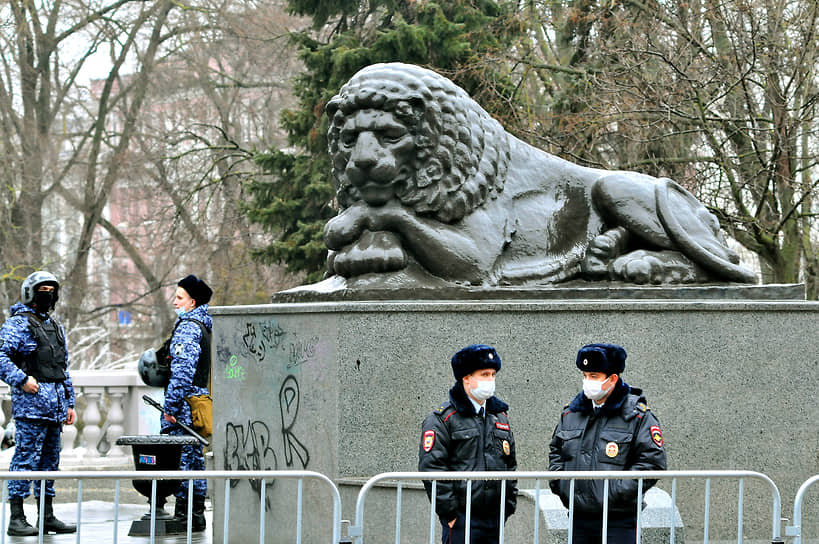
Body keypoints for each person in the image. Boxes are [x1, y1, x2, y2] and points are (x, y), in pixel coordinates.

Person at [548, 343, 667, 544]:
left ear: (612, 379)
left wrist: (614, 492)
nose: (587, 382)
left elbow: (652, 463)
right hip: (579, 518)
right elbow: (556, 453)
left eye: (594, 377)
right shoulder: (571, 413)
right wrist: (564, 487)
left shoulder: (636, 416)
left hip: (618, 520)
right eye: (585, 375)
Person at [0, 271, 77, 536]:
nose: (49, 294)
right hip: (31, 408)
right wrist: (21, 380)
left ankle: (47, 515)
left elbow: (62, 367)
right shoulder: (17, 324)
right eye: (43, 289)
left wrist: (70, 403)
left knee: (49, 464)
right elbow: (1, 357)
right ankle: (17, 517)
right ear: (31, 292)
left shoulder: (55, 326)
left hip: (55, 409)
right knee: (24, 462)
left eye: (52, 289)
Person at [419, 344, 517, 544]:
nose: (490, 380)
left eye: (492, 375)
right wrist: (450, 513)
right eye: (484, 374)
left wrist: (507, 506)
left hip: (494, 518)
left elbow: (510, 464)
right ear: (466, 378)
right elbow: (432, 468)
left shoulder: (499, 417)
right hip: (462, 519)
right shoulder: (443, 419)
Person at [162, 274, 212, 532]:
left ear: (192, 302)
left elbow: (182, 371)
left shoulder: (188, 327)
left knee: (181, 459)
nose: (174, 302)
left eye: (179, 297)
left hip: (183, 405)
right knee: (196, 461)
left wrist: (170, 407)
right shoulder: (205, 325)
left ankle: (184, 514)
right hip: (199, 402)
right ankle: (197, 514)